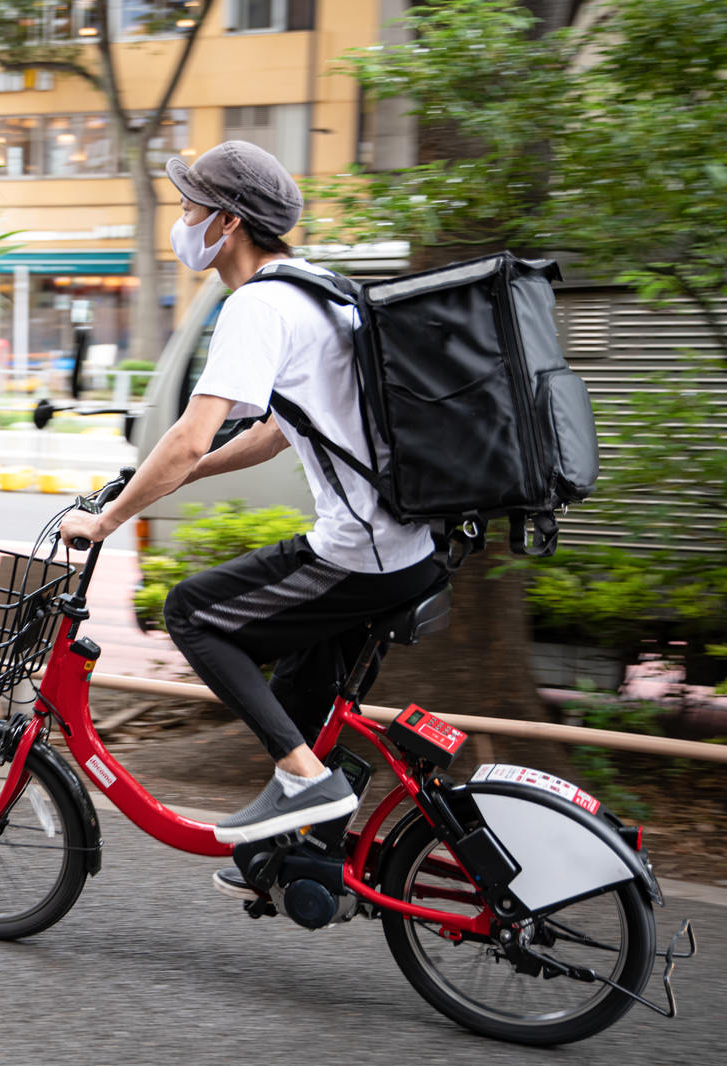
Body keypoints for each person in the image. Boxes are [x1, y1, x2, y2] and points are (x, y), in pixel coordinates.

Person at [57, 141, 446, 897]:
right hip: (402, 545)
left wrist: (108, 520)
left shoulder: (257, 305)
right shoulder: (313, 292)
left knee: (193, 614)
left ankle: (307, 782)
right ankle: (303, 863)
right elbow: (272, 428)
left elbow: (191, 430)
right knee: (303, 688)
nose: (181, 221)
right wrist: (180, 472)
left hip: (362, 552)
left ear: (226, 222)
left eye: (188, 207)